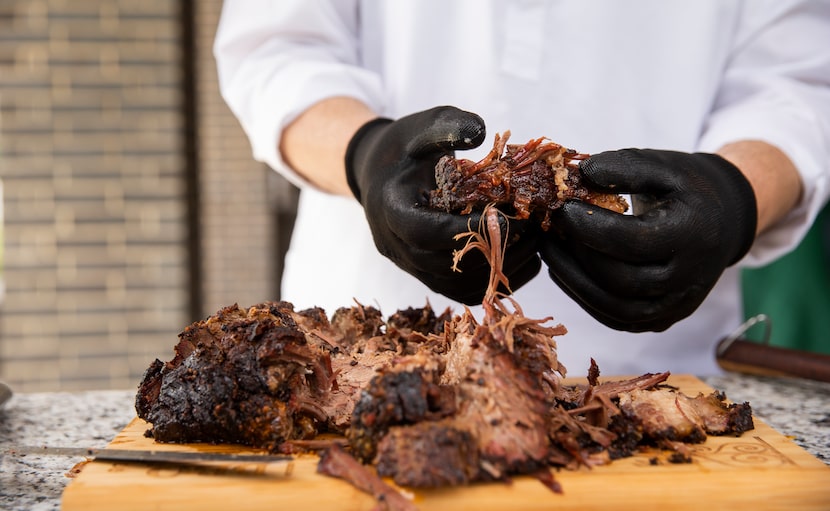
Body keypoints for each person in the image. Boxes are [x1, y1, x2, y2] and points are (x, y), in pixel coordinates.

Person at [214, 1, 830, 376]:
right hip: (366, 343)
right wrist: (366, 154)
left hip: (659, 358)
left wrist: (736, 194)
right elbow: (278, 49)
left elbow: (796, 82)